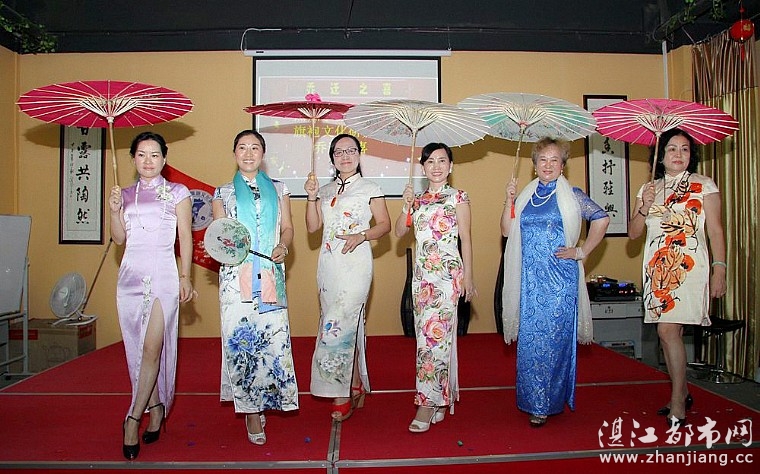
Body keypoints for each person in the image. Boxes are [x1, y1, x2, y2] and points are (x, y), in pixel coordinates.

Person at [501, 137, 609, 427]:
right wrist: (509, 200)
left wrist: (582, 251)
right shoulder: (525, 195)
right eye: (542, 160)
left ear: (563, 165)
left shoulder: (572, 196)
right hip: (529, 281)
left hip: (560, 281)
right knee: (530, 342)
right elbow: (507, 230)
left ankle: (547, 402)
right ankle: (531, 400)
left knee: (552, 341)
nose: (548, 165)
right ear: (534, 165)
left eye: (554, 160)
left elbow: (601, 219)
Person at [628, 128, 726, 428]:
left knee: (668, 330)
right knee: (668, 333)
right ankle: (681, 391)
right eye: (672, 148)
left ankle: (678, 399)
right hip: (657, 268)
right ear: (661, 155)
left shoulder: (704, 185)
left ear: (691, 155)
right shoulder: (649, 188)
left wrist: (720, 268)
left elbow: (716, 230)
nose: (678, 154)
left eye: (685, 149)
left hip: (689, 266)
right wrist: (644, 206)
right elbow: (633, 234)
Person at [109, 131, 194, 460]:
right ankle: (155, 407)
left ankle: (132, 418)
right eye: (142, 154)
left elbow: (185, 236)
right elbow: (119, 239)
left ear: (164, 159)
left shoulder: (178, 192)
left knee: (151, 348)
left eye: (155, 154)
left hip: (163, 277)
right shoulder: (123, 194)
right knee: (137, 349)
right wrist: (114, 211)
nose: (148, 160)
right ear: (133, 159)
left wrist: (185, 276)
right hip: (130, 278)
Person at [211, 130, 298, 446]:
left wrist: (283, 246)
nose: (248, 153)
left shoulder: (279, 189)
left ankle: (267, 397)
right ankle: (250, 410)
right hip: (237, 276)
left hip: (271, 272)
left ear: (263, 153)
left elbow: (287, 228)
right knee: (242, 340)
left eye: (255, 148)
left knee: (271, 338)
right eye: (242, 148)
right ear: (234, 153)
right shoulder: (222, 193)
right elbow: (220, 235)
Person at [304, 133, 391, 422]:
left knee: (339, 322)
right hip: (329, 265)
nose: (345, 156)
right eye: (339, 152)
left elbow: (384, 225)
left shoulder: (370, 188)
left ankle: (340, 393)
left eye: (351, 150)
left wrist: (361, 235)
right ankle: (354, 383)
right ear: (332, 158)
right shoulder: (325, 190)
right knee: (340, 323)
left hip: (356, 264)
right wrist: (312, 197)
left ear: (359, 154)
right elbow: (313, 228)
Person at [395, 142, 476, 433]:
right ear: (423, 167)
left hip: (447, 277)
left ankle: (427, 403)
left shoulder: (458, 197)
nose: (437, 166)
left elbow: (466, 238)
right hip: (422, 279)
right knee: (426, 339)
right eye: (430, 161)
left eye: (442, 161)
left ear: (451, 166)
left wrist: (469, 277)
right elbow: (399, 232)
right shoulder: (416, 199)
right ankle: (441, 399)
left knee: (434, 340)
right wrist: (406, 205)